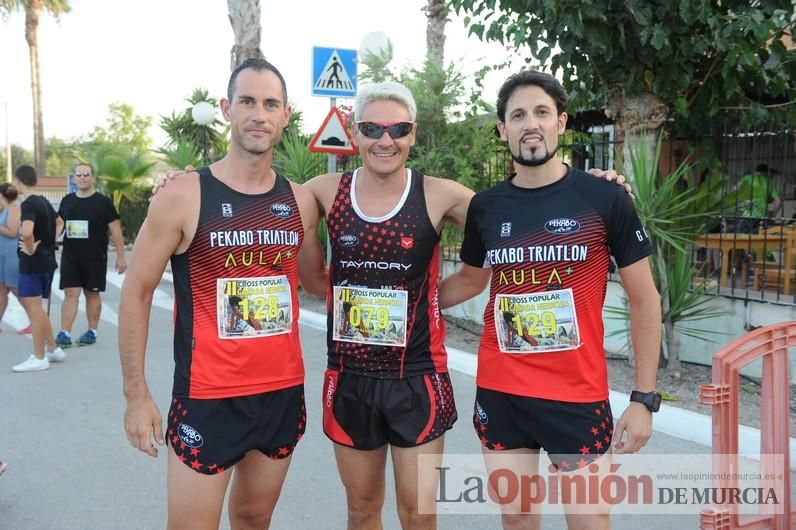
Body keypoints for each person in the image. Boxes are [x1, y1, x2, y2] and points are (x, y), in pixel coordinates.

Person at [303, 81, 633, 530]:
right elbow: (266, 210)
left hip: (416, 376)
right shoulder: (320, 192)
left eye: (397, 128)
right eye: (371, 128)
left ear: (413, 133)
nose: (385, 139)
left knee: (418, 516)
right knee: (361, 512)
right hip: (349, 376)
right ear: (355, 134)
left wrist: (594, 186)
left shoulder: (446, 195)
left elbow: (522, 207)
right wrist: (173, 184)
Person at [439, 70, 662, 530]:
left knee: (588, 523)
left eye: (541, 112)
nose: (530, 124)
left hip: (576, 396)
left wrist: (643, 399)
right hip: (502, 391)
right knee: (517, 520)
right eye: (517, 115)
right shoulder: (487, 206)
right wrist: (408, 301)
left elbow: (645, 299)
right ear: (503, 129)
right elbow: (469, 281)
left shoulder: (604, 198)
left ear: (561, 123)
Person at [119, 58, 326, 530]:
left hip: (280, 392)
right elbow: (136, 292)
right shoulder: (184, 194)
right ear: (226, 108)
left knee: (254, 519)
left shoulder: (300, 201)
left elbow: (317, 281)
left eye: (271, 103)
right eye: (248, 101)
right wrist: (136, 395)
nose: (259, 113)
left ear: (286, 115)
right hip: (207, 396)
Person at [54, 163, 127, 348]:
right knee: (70, 293)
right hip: (71, 256)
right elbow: (59, 224)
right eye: (78, 175)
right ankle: (64, 333)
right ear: (74, 178)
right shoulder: (67, 200)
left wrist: (121, 257)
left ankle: (91, 332)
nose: (82, 178)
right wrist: (49, 242)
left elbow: (116, 230)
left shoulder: (103, 202)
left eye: (86, 174)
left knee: (91, 294)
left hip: (95, 256)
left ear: (92, 177)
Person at [11, 165, 66, 372]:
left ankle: (39, 356)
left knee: (34, 310)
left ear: (19, 181)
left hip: (32, 264)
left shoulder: (29, 204)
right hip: (47, 262)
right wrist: (49, 242)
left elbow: (26, 232)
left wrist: (30, 246)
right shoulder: (44, 201)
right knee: (38, 309)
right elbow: (60, 222)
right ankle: (52, 349)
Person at [735, 163, 782, 233]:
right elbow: (778, 201)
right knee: (760, 239)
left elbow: (735, 189)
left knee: (744, 239)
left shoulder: (747, 178)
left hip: (747, 215)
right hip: (762, 216)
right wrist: (773, 214)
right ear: (766, 172)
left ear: (756, 171)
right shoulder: (770, 182)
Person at [0, 183, 21, 330]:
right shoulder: (7, 209)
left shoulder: (14, 208)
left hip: (11, 254)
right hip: (3, 255)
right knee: (1, 290)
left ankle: (35, 319)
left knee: (15, 288)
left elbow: (13, 232)